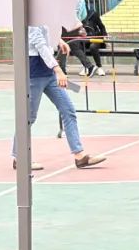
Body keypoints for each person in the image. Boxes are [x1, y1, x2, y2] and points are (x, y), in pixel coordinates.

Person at [15, 25, 107, 171]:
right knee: (29, 117)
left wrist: (59, 40)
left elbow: (47, 33)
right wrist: (58, 69)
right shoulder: (32, 21)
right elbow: (40, 45)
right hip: (35, 73)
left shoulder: (45, 17)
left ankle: (79, 156)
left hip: (49, 74)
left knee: (68, 110)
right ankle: (19, 157)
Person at [60, 0, 104, 77]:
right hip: (76, 26)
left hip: (65, 26)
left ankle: (63, 71)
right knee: (74, 47)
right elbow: (84, 15)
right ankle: (89, 66)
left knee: (62, 46)